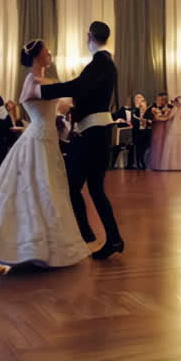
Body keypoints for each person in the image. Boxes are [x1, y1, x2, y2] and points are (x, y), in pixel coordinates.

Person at [0, 40, 90, 268]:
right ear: (36, 56)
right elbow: (28, 100)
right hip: (37, 138)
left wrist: (60, 108)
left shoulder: (45, 80)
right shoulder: (32, 81)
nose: (50, 54)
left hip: (49, 139)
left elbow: (50, 102)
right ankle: (29, 246)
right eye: (46, 52)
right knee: (35, 188)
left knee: (50, 189)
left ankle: (47, 245)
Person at [40, 20, 124, 260]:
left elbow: (77, 86)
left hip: (92, 133)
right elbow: (84, 92)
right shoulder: (105, 64)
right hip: (96, 131)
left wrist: (44, 92)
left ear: (89, 36)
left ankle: (87, 235)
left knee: (73, 186)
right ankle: (109, 238)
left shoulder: (100, 63)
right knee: (94, 189)